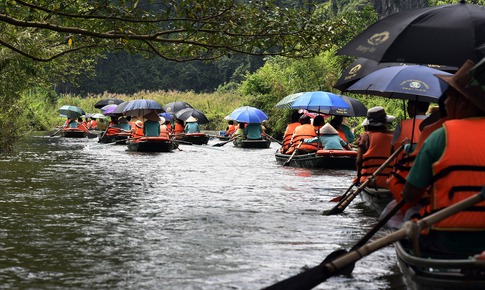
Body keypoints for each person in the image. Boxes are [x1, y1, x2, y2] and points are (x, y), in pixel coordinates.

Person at [402, 60, 485, 258]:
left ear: (464, 102)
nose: (445, 103)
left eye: (448, 97)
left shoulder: (441, 135)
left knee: (408, 215)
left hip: (446, 243)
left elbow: (410, 194)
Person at [387, 93, 449, 217]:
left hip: (405, 177)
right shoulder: (437, 129)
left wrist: (407, 147)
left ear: (413, 107)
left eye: (409, 105)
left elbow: (392, 151)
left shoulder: (405, 124)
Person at [355, 106, 395, 188]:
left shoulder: (365, 137)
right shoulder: (395, 137)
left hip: (368, 181)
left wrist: (358, 179)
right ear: (385, 122)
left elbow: (358, 161)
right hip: (390, 182)